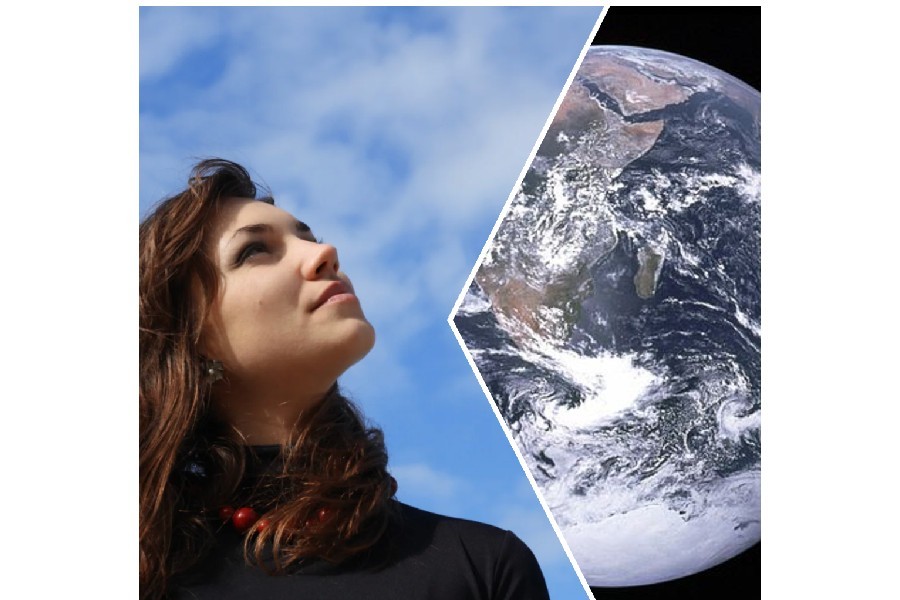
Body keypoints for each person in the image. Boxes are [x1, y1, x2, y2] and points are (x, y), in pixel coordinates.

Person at [139, 159, 551, 600]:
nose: (324, 253)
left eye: (308, 237)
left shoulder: (483, 566)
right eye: (255, 251)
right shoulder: (147, 572)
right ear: (189, 335)